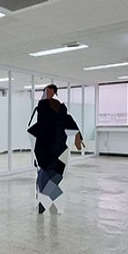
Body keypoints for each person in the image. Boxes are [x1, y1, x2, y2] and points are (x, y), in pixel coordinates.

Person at [27, 84, 84, 214]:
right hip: (44, 150)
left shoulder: (59, 109)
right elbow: (37, 129)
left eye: (48, 92)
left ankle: (46, 202)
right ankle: (46, 203)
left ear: (54, 92)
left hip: (57, 150)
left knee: (53, 177)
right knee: (45, 177)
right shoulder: (42, 108)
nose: (46, 94)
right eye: (45, 92)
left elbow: (68, 121)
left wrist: (77, 135)